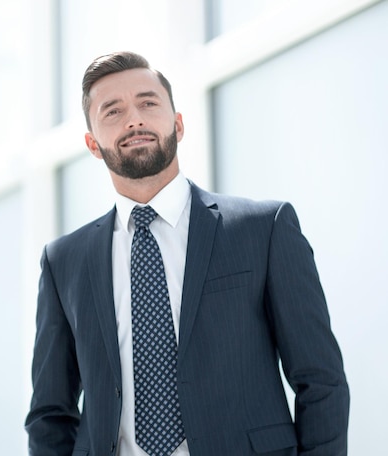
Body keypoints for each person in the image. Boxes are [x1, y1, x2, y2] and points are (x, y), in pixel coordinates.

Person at [25, 51, 349, 456]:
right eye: (113, 111)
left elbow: (321, 381)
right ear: (93, 144)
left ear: (178, 124)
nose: (134, 119)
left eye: (148, 103)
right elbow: (50, 413)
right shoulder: (64, 262)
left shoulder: (263, 229)